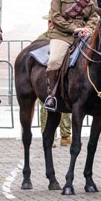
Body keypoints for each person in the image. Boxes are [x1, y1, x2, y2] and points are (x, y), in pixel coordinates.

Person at [43, 0, 99, 112]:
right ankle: (52, 96)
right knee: (54, 60)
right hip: (62, 34)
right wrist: (74, 28)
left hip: (85, 35)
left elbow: (94, 16)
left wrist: (88, 28)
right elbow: (55, 16)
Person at [37, 17, 71, 146]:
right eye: (50, 22)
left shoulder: (66, 37)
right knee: (46, 108)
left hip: (62, 76)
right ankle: (49, 136)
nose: (51, 24)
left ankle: (65, 135)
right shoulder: (42, 38)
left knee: (65, 107)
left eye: (53, 22)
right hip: (46, 77)